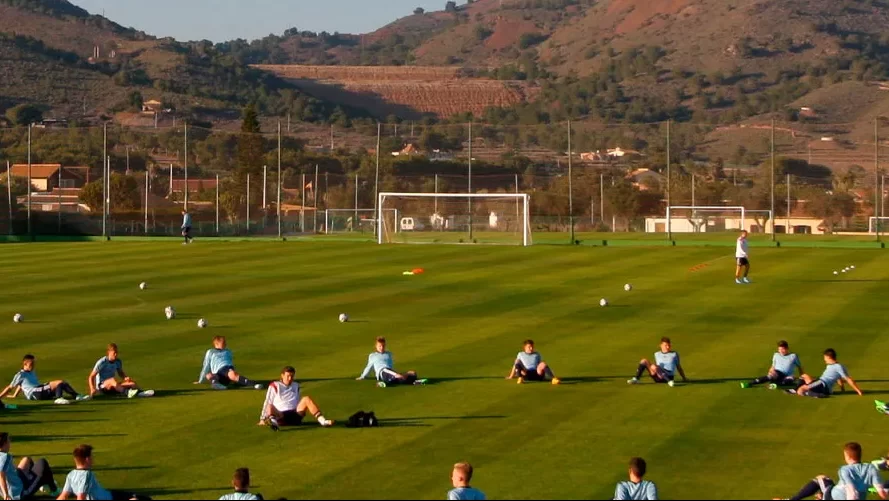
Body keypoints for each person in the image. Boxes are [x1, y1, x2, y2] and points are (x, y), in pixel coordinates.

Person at [782, 442, 885, 500]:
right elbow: (881, 491)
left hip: (833, 497)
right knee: (829, 483)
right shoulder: (871, 468)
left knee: (821, 479)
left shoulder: (845, 470)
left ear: (847, 456)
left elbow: (851, 492)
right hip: (845, 494)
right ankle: (821, 496)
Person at [56, 444, 149, 500]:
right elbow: (81, 497)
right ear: (87, 459)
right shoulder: (87, 475)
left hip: (110, 494)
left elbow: (63, 496)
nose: (93, 459)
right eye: (92, 456)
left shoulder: (71, 474)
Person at [257, 366, 333, 431]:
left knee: (306, 398)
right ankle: (274, 423)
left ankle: (323, 421)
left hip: (295, 415)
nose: (290, 378)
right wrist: (262, 419)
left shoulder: (296, 385)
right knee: (269, 406)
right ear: (282, 375)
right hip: (281, 415)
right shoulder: (275, 385)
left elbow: (297, 399)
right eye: (288, 376)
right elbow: (267, 401)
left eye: (292, 376)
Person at [0, 355, 88, 405]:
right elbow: (10, 387)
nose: (33, 365)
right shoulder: (20, 374)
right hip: (34, 392)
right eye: (31, 364)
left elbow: (21, 385)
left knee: (62, 383)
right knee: (59, 382)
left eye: (34, 363)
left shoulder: (31, 372)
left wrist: (14, 395)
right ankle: (58, 398)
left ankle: (76, 396)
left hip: (38, 389)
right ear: (25, 364)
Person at [0, 432, 60, 500]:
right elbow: (1, 475)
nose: (10, 442)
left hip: (18, 480)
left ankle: (43, 482)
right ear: (5, 443)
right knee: (43, 463)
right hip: (20, 492)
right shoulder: (5, 457)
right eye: (9, 440)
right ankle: (54, 490)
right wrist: (6, 494)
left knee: (26, 460)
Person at [788, 348, 862, 398]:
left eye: (825, 357)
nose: (824, 359)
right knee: (804, 376)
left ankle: (818, 394)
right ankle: (799, 389)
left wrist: (858, 391)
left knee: (800, 391)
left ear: (829, 357)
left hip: (822, 383)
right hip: (820, 382)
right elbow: (839, 377)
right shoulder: (835, 366)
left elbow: (848, 379)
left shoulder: (838, 366)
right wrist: (842, 389)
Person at [88, 344, 154, 399]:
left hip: (113, 385)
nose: (116, 354)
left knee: (132, 383)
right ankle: (127, 393)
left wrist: (125, 378)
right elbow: (91, 376)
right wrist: (92, 388)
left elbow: (120, 373)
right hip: (102, 386)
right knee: (112, 380)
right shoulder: (102, 362)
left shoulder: (118, 361)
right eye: (114, 353)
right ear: (109, 352)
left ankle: (140, 393)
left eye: (117, 352)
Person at [196, 336, 263, 391]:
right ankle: (217, 385)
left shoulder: (228, 351)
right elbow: (206, 366)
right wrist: (200, 380)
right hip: (218, 373)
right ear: (216, 343)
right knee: (209, 375)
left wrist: (230, 369)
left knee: (233, 375)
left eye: (225, 342)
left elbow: (229, 362)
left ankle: (254, 384)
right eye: (223, 342)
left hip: (226, 368)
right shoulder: (211, 352)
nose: (225, 343)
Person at [356, 337, 426, 388]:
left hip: (390, 372)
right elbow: (369, 367)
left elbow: (390, 365)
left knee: (409, 375)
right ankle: (384, 382)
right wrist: (363, 376)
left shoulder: (389, 354)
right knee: (397, 376)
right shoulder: (373, 355)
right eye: (379, 346)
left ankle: (414, 382)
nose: (381, 348)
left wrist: (396, 374)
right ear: (376, 346)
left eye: (383, 346)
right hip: (382, 372)